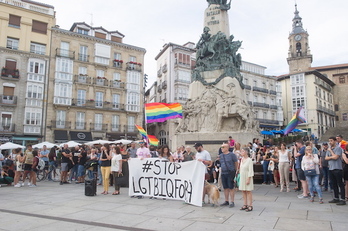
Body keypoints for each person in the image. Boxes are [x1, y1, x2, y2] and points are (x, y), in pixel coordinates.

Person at [325, 137, 346, 205]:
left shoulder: (338, 148)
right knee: (334, 184)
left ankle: (343, 199)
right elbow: (326, 158)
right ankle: (336, 197)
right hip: (331, 168)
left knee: (340, 184)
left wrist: (331, 152)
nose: (330, 142)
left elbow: (336, 157)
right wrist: (332, 156)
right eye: (329, 141)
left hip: (337, 168)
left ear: (335, 141)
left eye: (331, 141)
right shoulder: (328, 149)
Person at [219, 143, 238, 208]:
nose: (222, 149)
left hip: (230, 172)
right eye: (221, 147)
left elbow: (236, 162)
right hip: (223, 172)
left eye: (223, 147)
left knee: (231, 187)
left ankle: (232, 201)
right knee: (225, 187)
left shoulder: (232, 155)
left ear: (227, 148)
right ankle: (226, 200)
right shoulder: (221, 155)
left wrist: (236, 171)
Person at [239, 147, 254, 212]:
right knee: (243, 191)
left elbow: (251, 170)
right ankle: (245, 204)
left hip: (247, 176)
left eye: (243, 151)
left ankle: (250, 205)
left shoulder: (249, 160)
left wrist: (249, 178)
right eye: (241, 151)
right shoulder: (241, 159)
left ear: (246, 152)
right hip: (242, 176)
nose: (241, 152)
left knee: (248, 191)